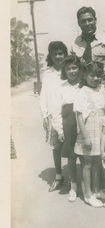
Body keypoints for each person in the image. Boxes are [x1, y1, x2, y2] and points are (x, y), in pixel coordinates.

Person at [73, 61, 105, 208]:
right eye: (92, 75)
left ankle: (97, 190)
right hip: (88, 129)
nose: (95, 79)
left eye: (98, 76)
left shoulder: (102, 89)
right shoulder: (82, 91)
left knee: (97, 161)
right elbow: (79, 116)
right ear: (85, 76)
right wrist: (86, 136)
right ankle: (87, 194)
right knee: (87, 163)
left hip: (101, 128)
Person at [51, 55, 84, 202]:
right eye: (68, 68)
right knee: (71, 156)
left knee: (85, 156)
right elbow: (56, 111)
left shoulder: (85, 85)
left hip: (84, 124)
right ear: (64, 70)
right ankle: (74, 187)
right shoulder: (61, 88)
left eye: (74, 68)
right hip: (68, 125)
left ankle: (87, 185)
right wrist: (60, 130)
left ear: (79, 68)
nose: (72, 71)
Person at [71, 6, 105, 87]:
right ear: (79, 23)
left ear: (95, 20)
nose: (87, 24)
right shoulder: (74, 44)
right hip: (82, 88)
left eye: (90, 20)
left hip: (104, 85)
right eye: (83, 21)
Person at [40, 41, 68, 192]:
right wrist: (44, 115)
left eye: (60, 53)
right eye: (55, 54)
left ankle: (73, 179)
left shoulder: (69, 69)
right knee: (56, 147)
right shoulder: (48, 73)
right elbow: (44, 94)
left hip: (69, 113)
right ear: (50, 56)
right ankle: (59, 176)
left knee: (72, 146)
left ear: (65, 54)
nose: (58, 56)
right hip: (54, 114)